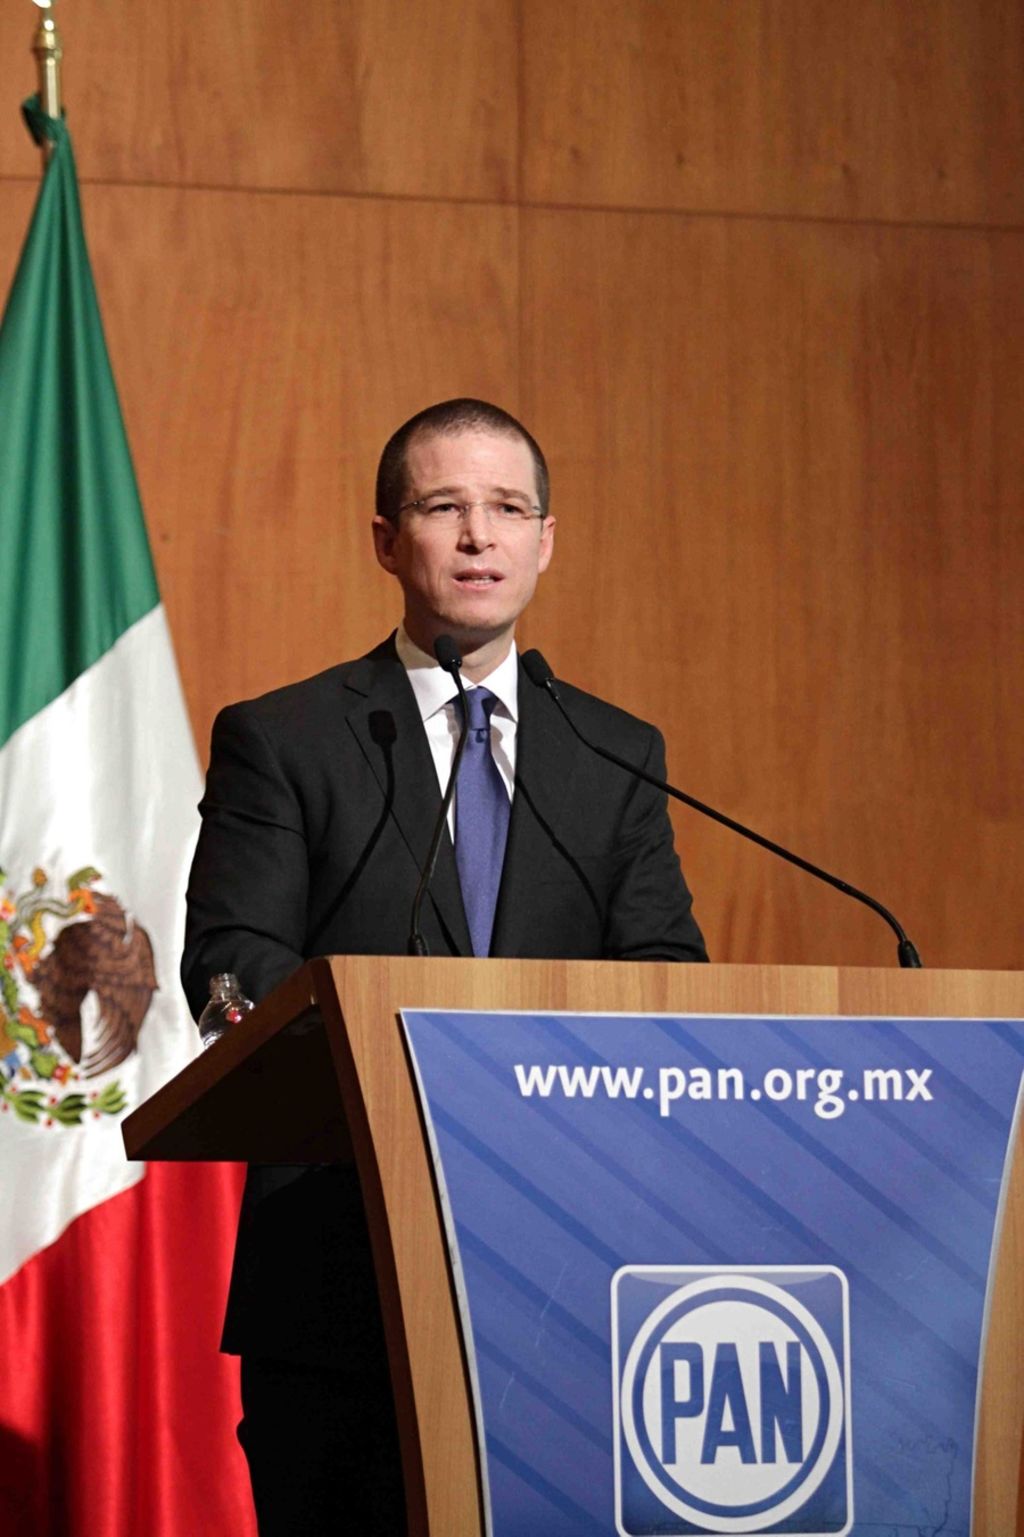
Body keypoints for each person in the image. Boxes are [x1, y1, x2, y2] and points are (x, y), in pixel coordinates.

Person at [181, 398, 707, 1534]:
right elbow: (232, 959)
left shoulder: (615, 754)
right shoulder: (287, 738)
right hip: (343, 1271)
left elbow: (667, 974)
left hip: (572, 1276)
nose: (479, 535)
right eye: (443, 507)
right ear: (386, 540)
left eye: (508, 508)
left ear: (545, 541)